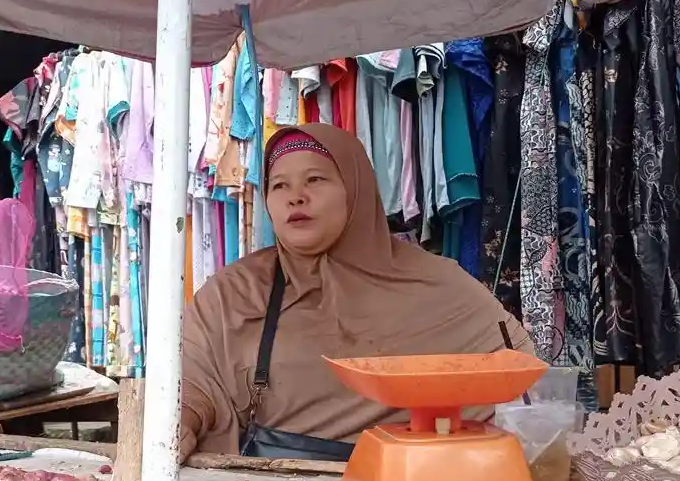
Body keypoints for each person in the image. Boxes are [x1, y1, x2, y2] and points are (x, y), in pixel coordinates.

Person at [179, 123, 535, 463]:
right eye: (279, 186)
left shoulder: (440, 288)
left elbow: (523, 379)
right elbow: (189, 380)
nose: (296, 198)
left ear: (356, 188)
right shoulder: (234, 294)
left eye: (315, 179)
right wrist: (179, 422)